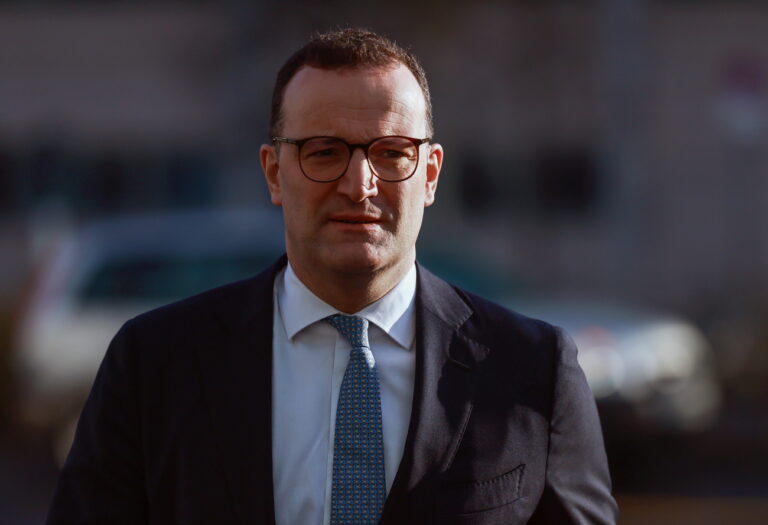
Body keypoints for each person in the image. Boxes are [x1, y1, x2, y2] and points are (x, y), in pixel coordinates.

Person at [47, 28, 617, 525]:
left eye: (392, 153)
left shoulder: (532, 371)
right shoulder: (154, 364)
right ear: (274, 172)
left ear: (431, 175)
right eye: (324, 152)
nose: (359, 185)